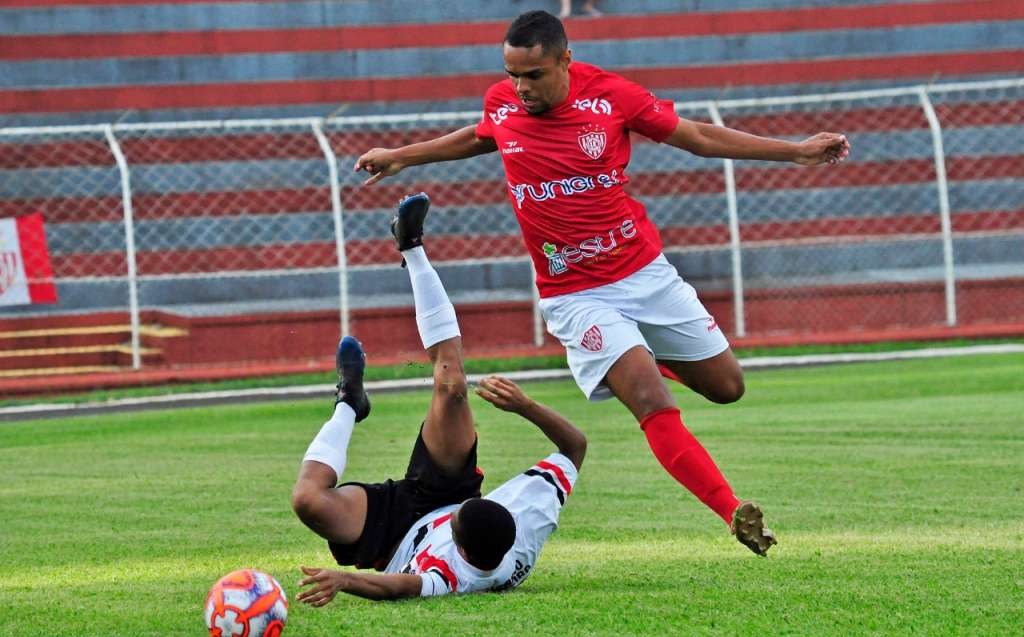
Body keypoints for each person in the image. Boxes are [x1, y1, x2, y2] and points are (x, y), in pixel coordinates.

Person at [354, 11, 850, 556]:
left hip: (644, 272)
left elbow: (700, 137)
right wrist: (402, 156)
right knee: (652, 402)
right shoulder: (503, 102)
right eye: (513, 75)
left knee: (727, 386)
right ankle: (731, 509)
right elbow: (480, 136)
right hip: (575, 295)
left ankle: (639, 357)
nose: (521, 88)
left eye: (535, 75)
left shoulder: (612, 96)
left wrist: (796, 150)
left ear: (565, 60)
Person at [291, 193, 587, 603]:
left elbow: (400, 585)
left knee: (308, 501)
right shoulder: (527, 520)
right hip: (443, 489)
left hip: (393, 540)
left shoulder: (452, 575)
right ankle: (411, 248)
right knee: (453, 387)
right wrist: (526, 406)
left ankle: (347, 404)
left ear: (460, 548)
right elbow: (576, 446)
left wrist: (345, 580)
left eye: (456, 521)